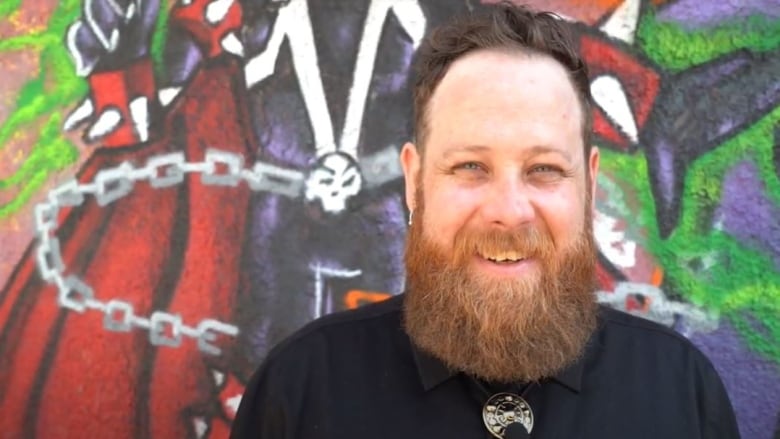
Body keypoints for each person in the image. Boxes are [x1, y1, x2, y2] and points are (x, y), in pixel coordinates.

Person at [230, 3, 740, 438]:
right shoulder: (300, 391)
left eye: (544, 170)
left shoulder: (680, 391)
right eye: (470, 167)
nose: (508, 210)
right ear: (414, 180)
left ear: (588, 184)